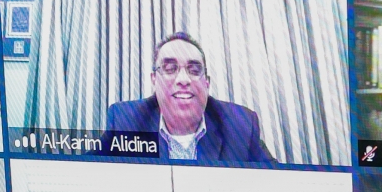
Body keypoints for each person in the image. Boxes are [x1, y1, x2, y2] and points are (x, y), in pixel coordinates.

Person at [106, 33, 275, 163]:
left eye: (194, 70)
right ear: (154, 80)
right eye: (170, 69)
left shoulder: (240, 124)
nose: (183, 80)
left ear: (207, 83)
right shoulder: (125, 121)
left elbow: (277, 183)